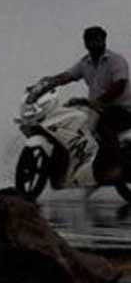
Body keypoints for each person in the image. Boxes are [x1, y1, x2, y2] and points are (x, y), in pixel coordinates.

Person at [38, 26, 131, 183]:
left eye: (97, 39)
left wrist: (97, 101)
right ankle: (78, 169)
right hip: (96, 108)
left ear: (104, 40)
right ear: (85, 43)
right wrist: (46, 84)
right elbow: (67, 76)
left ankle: (115, 167)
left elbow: (120, 85)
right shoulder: (85, 63)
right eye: (90, 40)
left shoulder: (116, 60)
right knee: (73, 124)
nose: (94, 43)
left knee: (103, 127)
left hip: (122, 109)